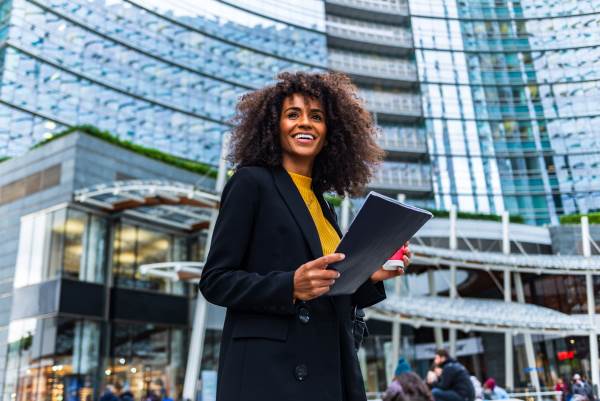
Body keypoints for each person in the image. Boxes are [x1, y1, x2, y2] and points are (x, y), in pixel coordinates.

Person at [198, 71, 412, 401]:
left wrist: (369, 274)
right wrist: (289, 286)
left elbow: (333, 288)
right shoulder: (250, 183)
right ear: (273, 125)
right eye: (292, 114)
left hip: (330, 364)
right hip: (270, 374)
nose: (305, 123)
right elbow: (216, 280)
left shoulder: (322, 204)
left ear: (331, 132)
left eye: (316, 116)